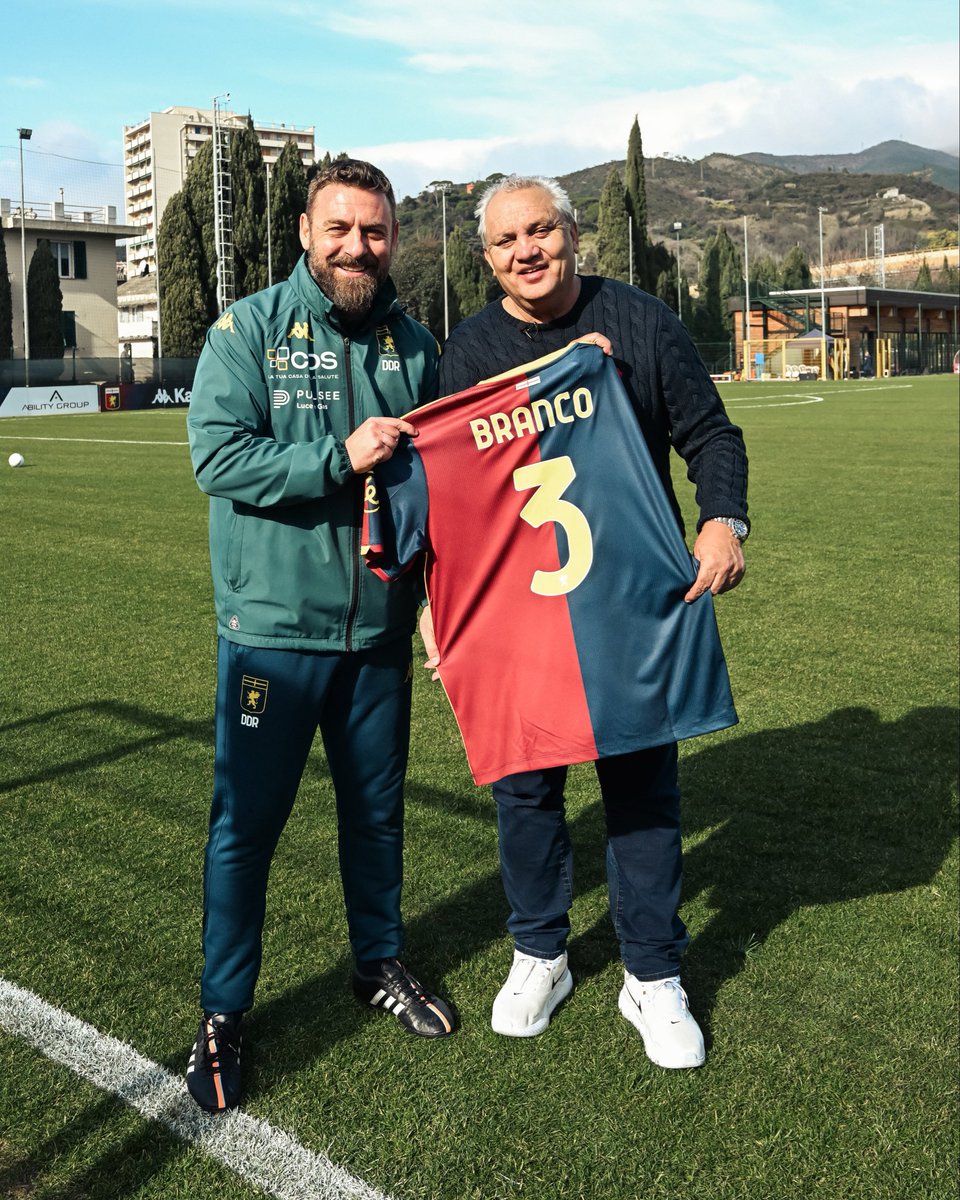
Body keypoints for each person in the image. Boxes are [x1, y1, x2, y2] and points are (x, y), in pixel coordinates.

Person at [424, 174, 749, 1070]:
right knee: (525, 784)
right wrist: (434, 606)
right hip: (518, 611)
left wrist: (724, 518)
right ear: (485, 258)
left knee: (641, 780)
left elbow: (711, 434)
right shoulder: (470, 351)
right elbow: (450, 498)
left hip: (627, 599)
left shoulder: (640, 321)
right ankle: (541, 953)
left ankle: (652, 973)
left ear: (572, 235)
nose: (526, 251)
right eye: (505, 241)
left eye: (541, 231)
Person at [184, 158, 454, 1114]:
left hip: (375, 637)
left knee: (376, 818)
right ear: (306, 231)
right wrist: (336, 458)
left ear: (392, 238)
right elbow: (217, 456)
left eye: (374, 231)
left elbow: (434, 494)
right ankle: (223, 1014)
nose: (357, 247)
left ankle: (377, 962)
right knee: (245, 830)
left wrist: (430, 601)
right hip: (272, 634)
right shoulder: (247, 331)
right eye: (338, 229)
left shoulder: (415, 345)